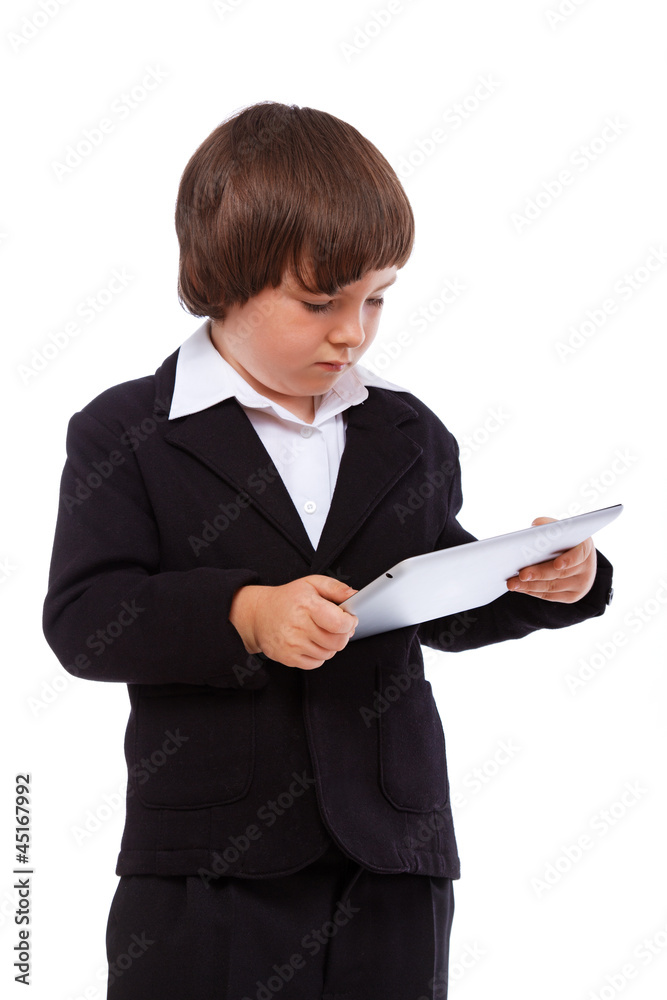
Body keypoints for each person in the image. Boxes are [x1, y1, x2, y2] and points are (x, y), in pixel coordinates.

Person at [42, 101, 614, 1000]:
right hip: (208, 866)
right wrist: (246, 613)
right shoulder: (127, 431)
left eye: (376, 298)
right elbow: (84, 621)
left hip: (390, 854)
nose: (353, 330)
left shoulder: (406, 430)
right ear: (223, 280)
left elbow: (431, 594)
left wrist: (539, 580)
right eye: (320, 303)